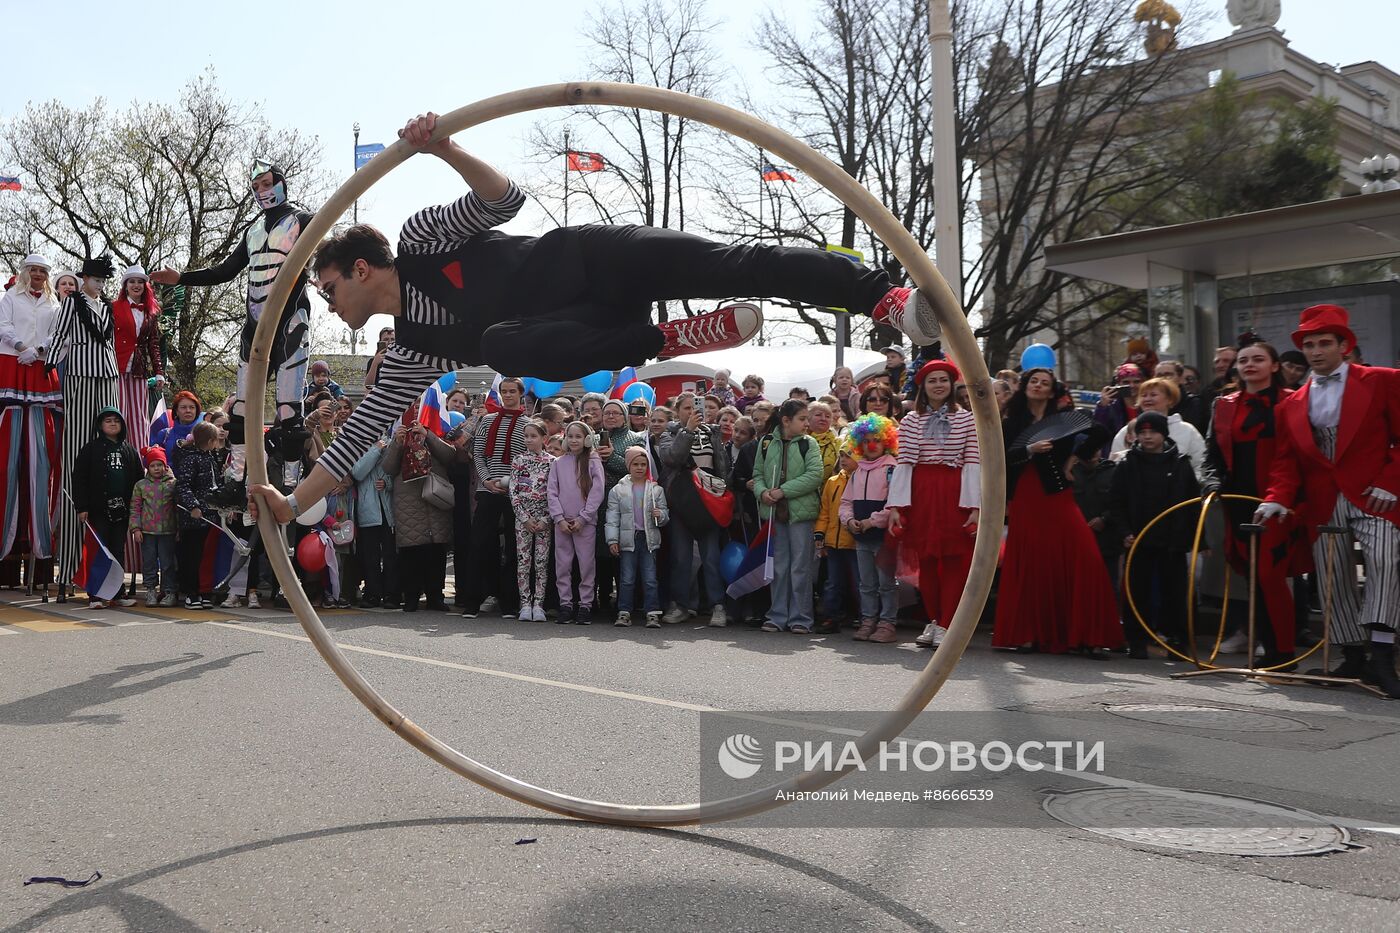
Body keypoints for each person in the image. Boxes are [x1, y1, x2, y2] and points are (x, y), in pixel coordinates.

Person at [253, 111, 939, 534]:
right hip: (582, 330)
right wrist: (290, 502)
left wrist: (446, 149)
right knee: (497, 342)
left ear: (364, 267)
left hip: (595, 258)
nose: (329, 300)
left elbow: (504, 201)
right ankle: (664, 341)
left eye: (330, 284)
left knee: (740, 262)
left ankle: (886, 301)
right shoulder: (409, 354)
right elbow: (358, 436)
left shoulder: (423, 240)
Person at [1257, 304, 1400, 696]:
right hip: (1323, 499)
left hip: (1376, 495)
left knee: (1385, 562)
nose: (1316, 351)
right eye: (1309, 345)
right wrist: (1276, 498)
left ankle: (1383, 656)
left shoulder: (1383, 380)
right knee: (1331, 576)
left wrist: (1392, 481)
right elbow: (1285, 462)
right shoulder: (1291, 403)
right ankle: (1352, 654)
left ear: (1344, 345)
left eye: (1324, 343)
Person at [153, 158, 316, 482]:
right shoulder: (253, 230)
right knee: (240, 410)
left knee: (288, 411)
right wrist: (182, 277)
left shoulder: (304, 220)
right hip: (254, 326)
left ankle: (291, 483)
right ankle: (237, 479)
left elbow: (326, 254)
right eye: (255, 187)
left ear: (281, 183)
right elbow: (224, 271)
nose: (261, 192)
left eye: (267, 184)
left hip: (290, 322)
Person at [993, 369, 1121, 656]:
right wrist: (1030, 448)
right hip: (1024, 495)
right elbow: (1000, 456)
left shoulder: (1063, 417)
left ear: (1052, 391)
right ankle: (1029, 634)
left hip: (1057, 494)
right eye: (1033, 381)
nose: (1038, 386)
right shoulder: (1010, 422)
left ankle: (1088, 635)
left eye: (1045, 383)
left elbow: (1100, 431)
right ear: (1024, 387)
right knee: (1032, 562)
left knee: (1084, 556)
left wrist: (1074, 457)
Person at [1201, 341, 1305, 666]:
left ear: (1274, 366)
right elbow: (1212, 456)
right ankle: (1269, 647)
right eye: (1243, 360)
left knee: (1270, 574)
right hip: (1237, 499)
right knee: (1252, 576)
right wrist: (1212, 483)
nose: (1249, 365)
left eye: (1258, 359)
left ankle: (1283, 651)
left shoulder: (1294, 401)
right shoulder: (1224, 404)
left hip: (1280, 499)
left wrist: (1285, 496)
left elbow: (1298, 454)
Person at [887, 360, 979, 649]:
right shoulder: (912, 420)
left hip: (954, 490)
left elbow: (973, 461)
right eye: (932, 380)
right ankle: (934, 620)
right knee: (926, 561)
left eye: (943, 380)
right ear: (923, 386)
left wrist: (975, 505)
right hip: (922, 491)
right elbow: (905, 463)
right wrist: (897, 506)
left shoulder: (966, 419)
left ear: (951, 385)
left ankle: (949, 623)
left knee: (954, 561)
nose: (938, 384)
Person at [50, 256, 121, 598]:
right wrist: (48, 366)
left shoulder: (105, 306)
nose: (100, 284)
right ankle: (68, 568)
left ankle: (109, 567)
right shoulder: (71, 303)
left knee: (111, 448)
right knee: (76, 454)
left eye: (104, 280)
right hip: (79, 371)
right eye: (95, 279)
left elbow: (109, 341)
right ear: (84, 279)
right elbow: (60, 334)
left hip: (107, 373)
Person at [1109, 411, 1203, 659]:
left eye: (1153, 432)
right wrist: (1124, 532)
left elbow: (1193, 504)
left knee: (1176, 592)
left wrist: (1198, 539)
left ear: (1164, 434)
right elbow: (1116, 502)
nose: (1148, 437)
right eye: (1143, 432)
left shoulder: (1180, 463)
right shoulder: (1127, 464)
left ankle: (1177, 640)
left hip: (1172, 539)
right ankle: (1137, 639)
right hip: (1138, 537)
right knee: (1136, 591)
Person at [0, 254, 63, 565]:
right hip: (13, 361)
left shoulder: (54, 304)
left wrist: (39, 350)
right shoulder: (11, 297)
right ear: (25, 272)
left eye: (42, 271)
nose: (38, 275)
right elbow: (4, 325)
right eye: (33, 270)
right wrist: (21, 347)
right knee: (9, 460)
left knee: (41, 457)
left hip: (40, 365)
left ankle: (41, 543)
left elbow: (59, 335)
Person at [660, 392, 732, 626]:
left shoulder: (712, 432)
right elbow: (672, 459)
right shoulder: (668, 435)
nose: (692, 412)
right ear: (677, 412)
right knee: (681, 557)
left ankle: (717, 606)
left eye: (695, 408)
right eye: (686, 408)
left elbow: (721, 465)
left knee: (711, 557)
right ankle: (680, 605)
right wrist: (688, 431)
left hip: (708, 502)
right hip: (682, 502)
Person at [754, 399, 825, 633]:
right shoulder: (765, 443)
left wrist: (783, 491)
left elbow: (815, 475)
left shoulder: (809, 444)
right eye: (802, 419)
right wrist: (762, 491)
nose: (807, 424)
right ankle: (777, 615)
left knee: (800, 567)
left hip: (800, 514)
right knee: (779, 566)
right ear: (786, 420)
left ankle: (801, 618)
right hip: (775, 513)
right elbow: (757, 474)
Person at [460, 376, 528, 619]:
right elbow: (478, 454)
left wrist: (512, 483)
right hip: (488, 489)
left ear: (521, 394)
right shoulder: (487, 421)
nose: (508, 395)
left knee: (512, 547)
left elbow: (527, 459)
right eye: (504, 391)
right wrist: (487, 479)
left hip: (515, 493)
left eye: (512, 391)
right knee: (478, 544)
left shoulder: (528, 423)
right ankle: (472, 602)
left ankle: (509, 603)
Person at [382, 417, 454, 612]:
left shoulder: (433, 431)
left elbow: (449, 456)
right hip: (409, 500)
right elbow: (388, 468)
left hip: (435, 498)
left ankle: (435, 597)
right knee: (411, 553)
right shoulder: (399, 436)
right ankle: (411, 597)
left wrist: (428, 434)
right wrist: (397, 443)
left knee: (436, 552)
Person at [72, 408, 142, 607]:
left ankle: (118, 593)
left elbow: (139, 481)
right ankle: (95, 595)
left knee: (117, 551)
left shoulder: (129, 450)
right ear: (100, 425)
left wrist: (137, 509)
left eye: (116, 421)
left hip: (122, 511)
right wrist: (82, 506)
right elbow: (79, 479)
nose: (112, 424)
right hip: (97, 509)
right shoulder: (91, 449)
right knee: (98, 551)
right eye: (108, 421)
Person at [841, 414, 901, 644]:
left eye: (876, 439)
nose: (871, 445)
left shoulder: (892, 469)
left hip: (883, 536)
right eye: (865, 441)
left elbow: (894, 503)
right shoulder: (857, 472)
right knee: (866, 583)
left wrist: (871, 521)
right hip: (861, 537)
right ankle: (868, 620)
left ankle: (887, 623)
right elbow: (846, 502)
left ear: (886, 441)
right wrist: (849, 521)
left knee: (886, 582)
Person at [549, 421, 605, 625]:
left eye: (578, 436)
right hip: (562, 523)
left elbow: (597, 492)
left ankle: (585, 605)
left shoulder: (592, 460)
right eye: (570, 436)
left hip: (585, 523)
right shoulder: (558, 463)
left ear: (587, 439)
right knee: (562, 566)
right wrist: (559, 518)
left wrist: (584, 517)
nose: (573, 440)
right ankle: (565, 604)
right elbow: (552, 492)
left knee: (586, 565)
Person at [606, 446, 669, 627]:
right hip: (628, 540)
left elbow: (665, 514)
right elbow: (612, 517)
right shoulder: (618, 490)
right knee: (626, 579)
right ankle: (624, 612)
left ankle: (652, 612)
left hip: (648, 540)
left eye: (643, 464)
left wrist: (661, 515)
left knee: (650, 579)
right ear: (628, 465)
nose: (640, 468)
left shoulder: (656, 490)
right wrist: (612, 539)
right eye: (635, 464)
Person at [595, 399, 644, 613]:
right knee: (600, 552)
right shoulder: (594, 439)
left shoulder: (635, 439)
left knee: (622, 552)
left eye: (616, 413)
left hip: (626, 503)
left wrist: (612, 457)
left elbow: (636, 470)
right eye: (607, 413)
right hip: (598, 502)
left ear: (625, 416)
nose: (611, 417)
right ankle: (602, 599)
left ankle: (626, 601)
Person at [1109, 376, 1208, 480]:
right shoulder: (1126, 431)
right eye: (1143, 395)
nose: (1147, 399)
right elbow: (1114, 465)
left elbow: (1201, 465)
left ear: (1169, 399)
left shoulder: (1187, 430)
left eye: (1153, 395)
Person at [111, 266, 165, 450]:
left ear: (145, 286)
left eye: (140, 282)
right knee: (119, 412)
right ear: (125, 286)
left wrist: (159, 372)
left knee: (139, 416)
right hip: (116, 366)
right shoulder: (113, 307)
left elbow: (154, 343)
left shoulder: (151, 311)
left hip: (138, 369)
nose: (136, 285)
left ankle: (139, 458)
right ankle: (117, 454)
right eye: (132, 281)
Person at [173, 421, 222, 609]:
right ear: (210, 441)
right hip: (193, 517)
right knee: (191, 555)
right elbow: (183, 485)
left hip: (209, 514)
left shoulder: (209, 457)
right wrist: (193, 506)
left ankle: (203, 591)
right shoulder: (191, 458)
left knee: (204, 555)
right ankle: (190, 593)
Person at [509, 420, 555, 622]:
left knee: (541, 563)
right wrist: (524, 518)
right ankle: (525, 604)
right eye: (526, 436)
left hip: (544, 520)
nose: (529, 439)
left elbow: (555, 493)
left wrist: (546, 518)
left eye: (533, 436)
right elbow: (513, 491)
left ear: (544, 438)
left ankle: (539, 604)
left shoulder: (553, 462)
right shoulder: (519, 460)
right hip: (523, 521)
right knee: (523, 562)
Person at [349, 430, 397, 608]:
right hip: (368, 509)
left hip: (387, 508)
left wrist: (387, 483)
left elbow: (394, 472)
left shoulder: (390, 444)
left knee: (390, 555)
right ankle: (372, 594)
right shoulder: (359, 446)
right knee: (371, 556)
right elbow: (358, 472)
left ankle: (392, 594)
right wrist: (376, 449)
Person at [814, 445, 858, 634]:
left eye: (848, 456)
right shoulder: (832, 482)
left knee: (860, 581)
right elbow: (825, 511)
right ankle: (831, 617)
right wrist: (820, 533)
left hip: (854, 541)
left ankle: (862, 616)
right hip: (834, 541)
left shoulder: (862, 479)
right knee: (833, 581)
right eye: (841, 456)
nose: (843, 459)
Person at [129, 446, 177, 607]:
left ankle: (169, 591)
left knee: (168, 563)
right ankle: (150, 590)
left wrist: (179, 530)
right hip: (147, 532)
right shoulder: (141, 485)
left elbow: (178, 508)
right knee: (149, 562)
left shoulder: (173, 484)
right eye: (152, 465)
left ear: (165, 466)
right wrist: (136, 528)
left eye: (159, 465)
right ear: (147, 467)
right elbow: (135, 508)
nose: (156, 468)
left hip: (168, 531)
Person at [1092, 362, 1144, 456]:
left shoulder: (1147, 404)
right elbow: (1098, 432)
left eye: (1136, 381)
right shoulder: (1111, 406)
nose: (1131, 385)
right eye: (1126, 382)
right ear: (1118, 383)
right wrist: (1102, 407)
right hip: (1115, 455)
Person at [806, 401, 841, 484]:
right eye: (818, 415)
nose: (823, 418)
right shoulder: (799, 441)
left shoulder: (837, 443)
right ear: (808, 418)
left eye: (828, 416)